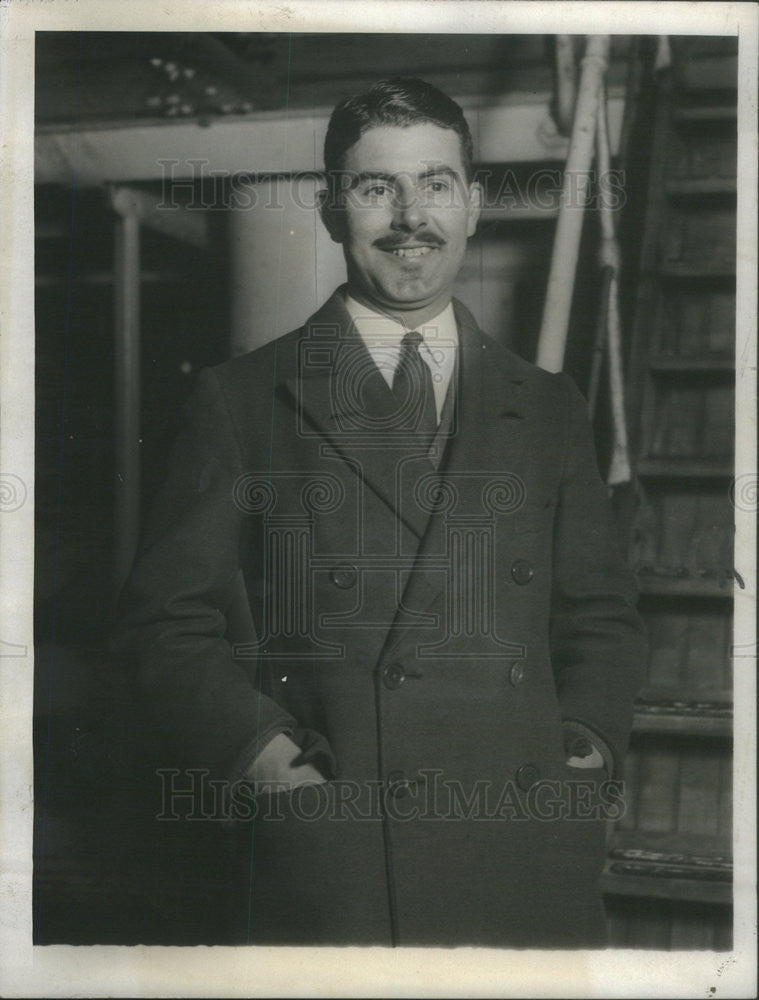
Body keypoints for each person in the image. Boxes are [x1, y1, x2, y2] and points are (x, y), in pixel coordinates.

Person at [112, 77, 646, 948]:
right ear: (331, 209)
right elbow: (163, 622)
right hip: (344, 857)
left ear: (471, 204)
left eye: (435, 183)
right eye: (375, 188)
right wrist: (262, 757)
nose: (410, 216)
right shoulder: (242, 400)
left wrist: (583, 745)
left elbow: (601, 614)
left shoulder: (547, 405)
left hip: (521, 853)